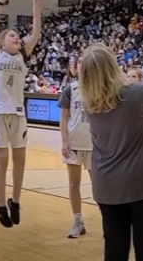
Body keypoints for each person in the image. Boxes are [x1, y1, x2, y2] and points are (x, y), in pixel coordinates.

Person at [78, 43, 143, 261]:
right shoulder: (136, 93)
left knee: (115, 249)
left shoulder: (88, 102)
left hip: (106, 185)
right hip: (141, 184)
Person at [0, 0, 43, 228]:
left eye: (18, 36)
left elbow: (37, 32)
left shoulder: (23, 54)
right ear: (2, 41)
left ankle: (15, 201)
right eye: (12, 35)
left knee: (20, 160)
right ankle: (0, 204)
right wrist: (1, 0)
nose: (17, 37)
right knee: (2, 162)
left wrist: (35, 5)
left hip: (18, 112)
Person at [58, 57, 92, 239]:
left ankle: (110, 221)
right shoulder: (70, 89)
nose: (83, 66)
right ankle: (78, 221)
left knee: (101, 186)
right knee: (74, 184)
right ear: (76, 68)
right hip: (74, 143)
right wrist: (64, 141)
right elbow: (63, 118)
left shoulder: (98, 88)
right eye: (80, 63)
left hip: (95, 144)